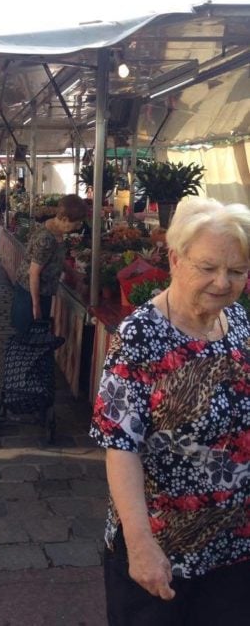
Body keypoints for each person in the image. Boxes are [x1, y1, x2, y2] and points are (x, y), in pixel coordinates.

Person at [90, 196, 250, 626]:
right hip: (163, 551)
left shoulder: (238, 322)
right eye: (209, 267)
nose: (223, 282)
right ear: (176, 260)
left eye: (237, 271)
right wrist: (139, 543)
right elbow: (120, 444)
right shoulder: (140, 335)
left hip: (235, 546)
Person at [11, 194, 87, 335]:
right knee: (31, 339)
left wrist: (73, 273)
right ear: (64, 219)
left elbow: (56, 258)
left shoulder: (54, 228)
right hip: (32, 293)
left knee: (37, 339)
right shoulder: (46, 238)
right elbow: (34, 273)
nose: (77, 227)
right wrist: (36, 305)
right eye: (76, 224)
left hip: (40, 291)